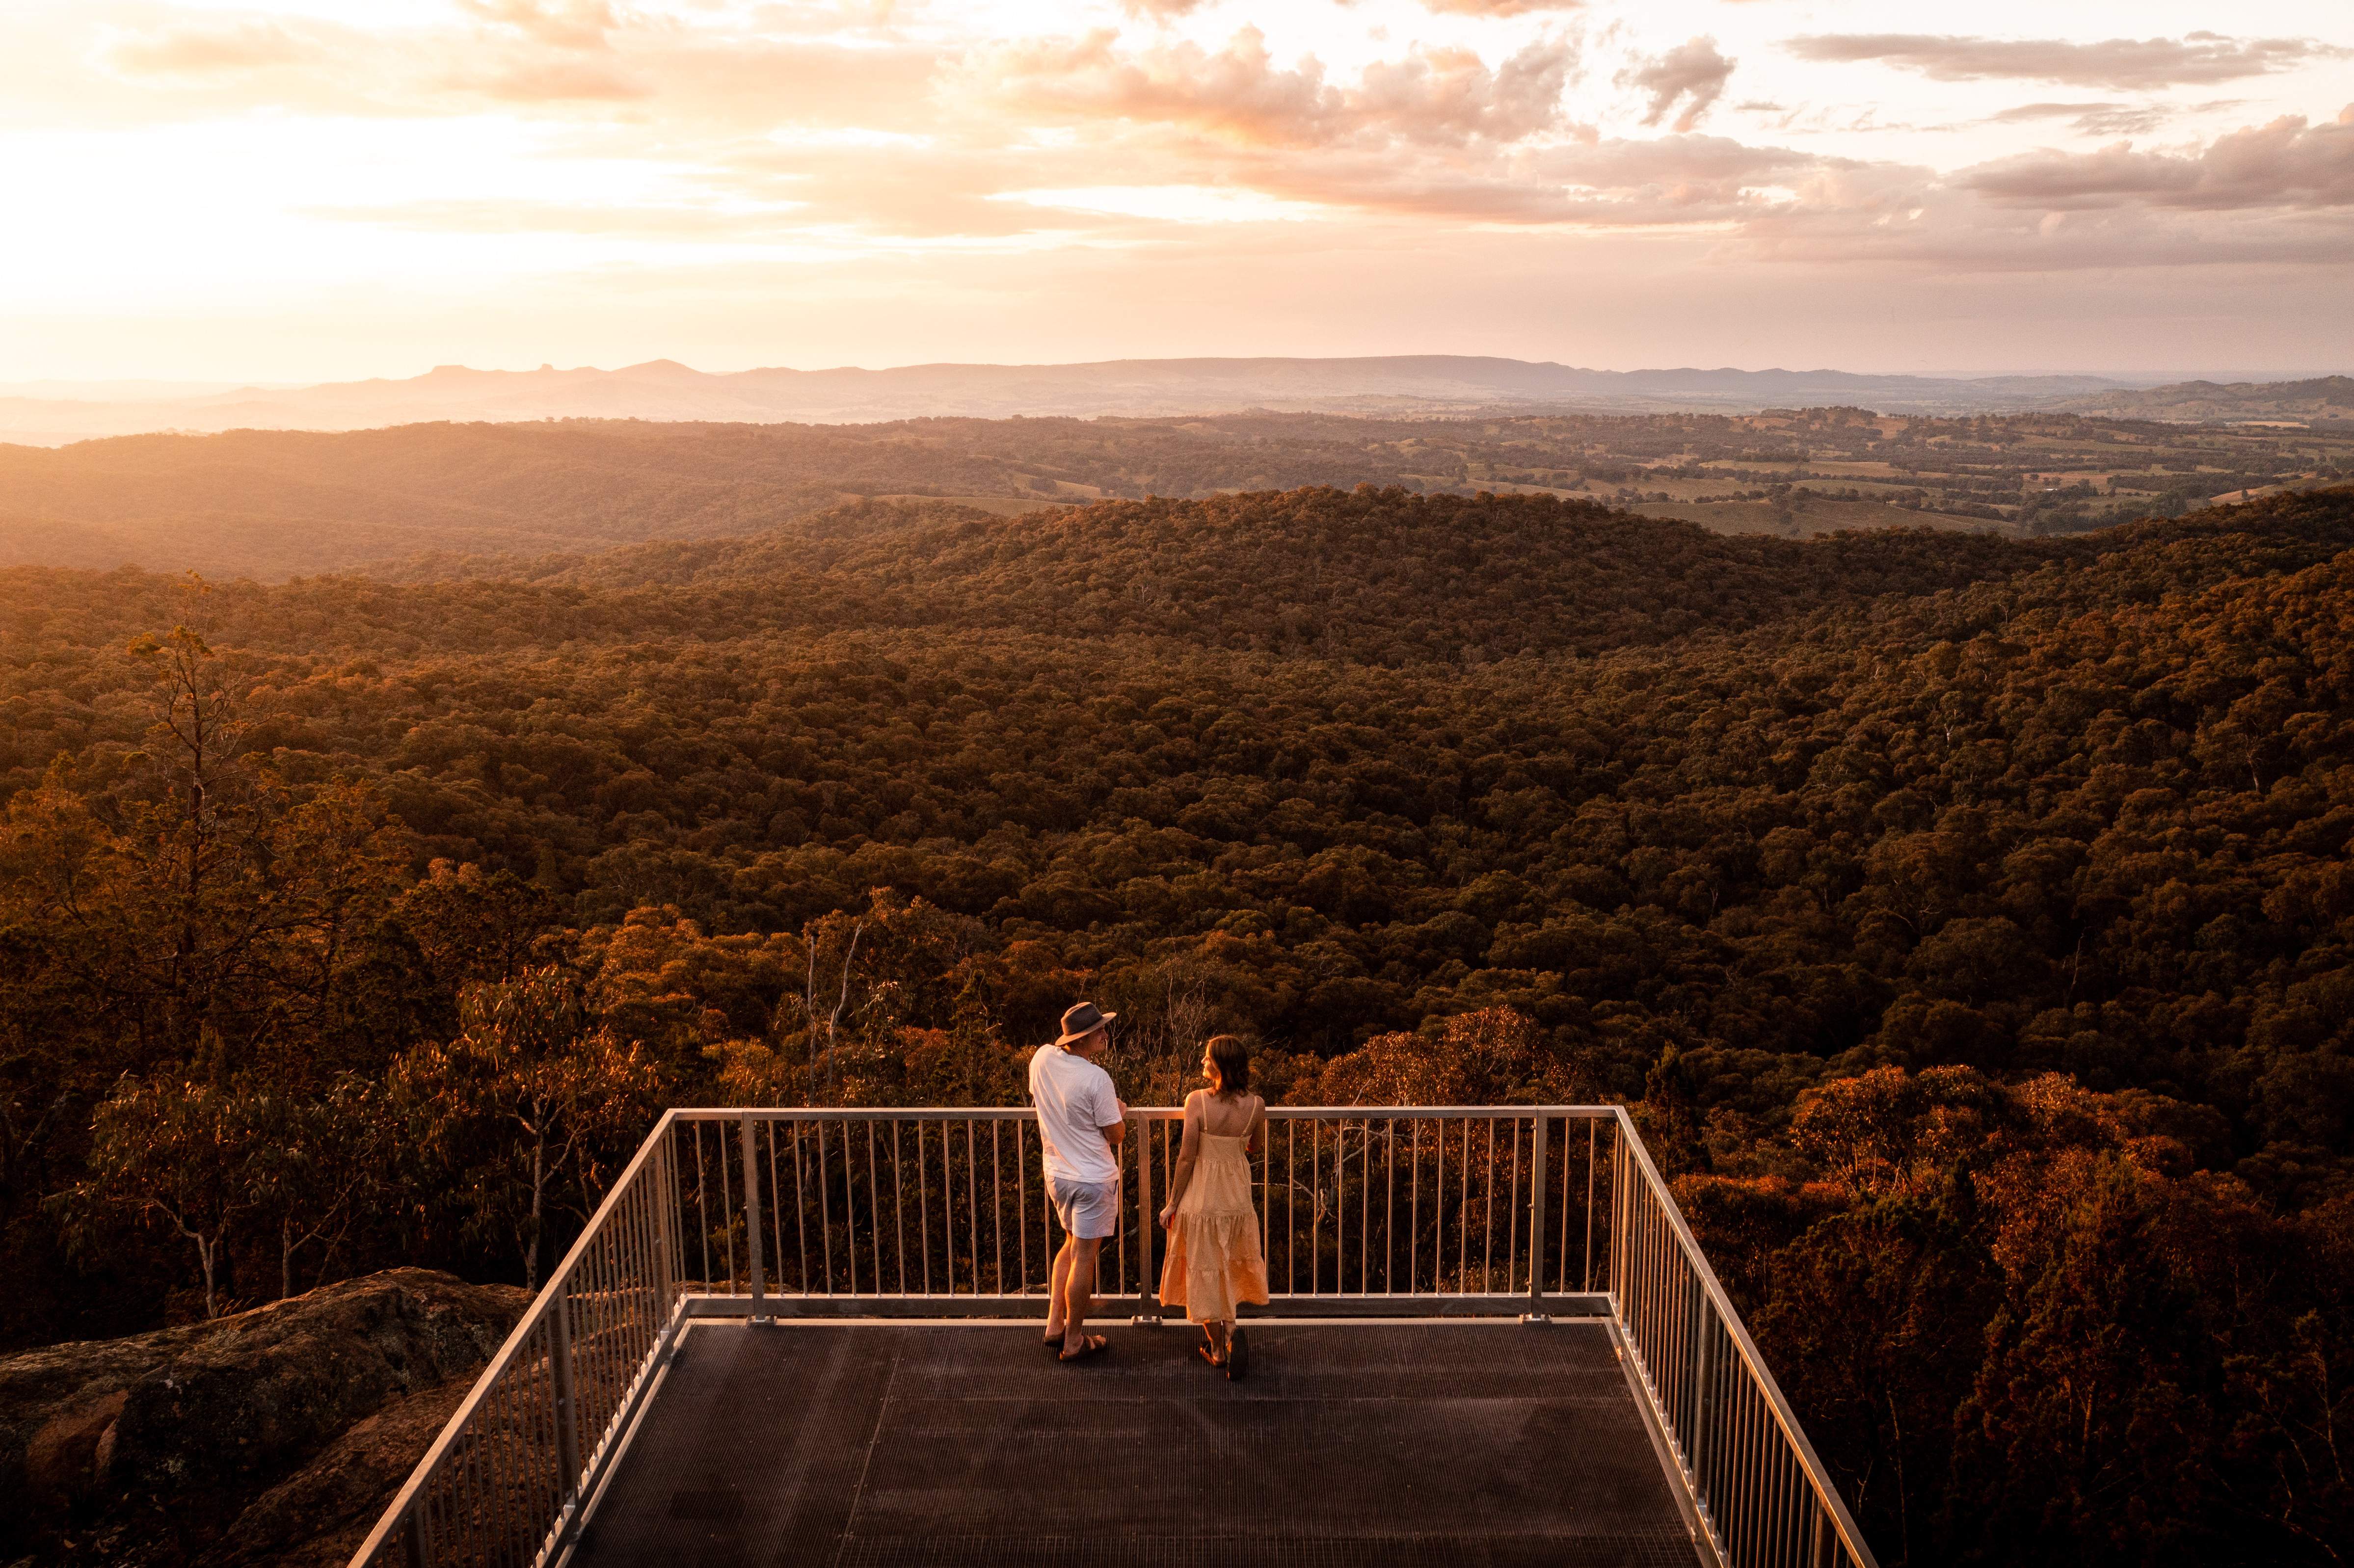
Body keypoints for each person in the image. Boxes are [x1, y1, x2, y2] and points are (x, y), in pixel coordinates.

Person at [1157, 1034, 1269, 1377]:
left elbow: (1186, 1156)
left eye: (1207, 1057)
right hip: (1236, 1198)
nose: (1203, 1061)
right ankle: (1231, 1329)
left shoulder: (1197, 1101)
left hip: (1202, 1198)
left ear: (1220, 1065)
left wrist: (1172, 1203)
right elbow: (1256, 1146)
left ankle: (1218, 1348)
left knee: (1203, 1270)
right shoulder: (1257, 1105)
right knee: (1228, 1265)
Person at [1030, 1000, 1126, 1362]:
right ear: (1082, 1038)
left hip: (1058, 1174)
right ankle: (1074, 1341)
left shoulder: (1041, 1058)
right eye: (1099, 1030)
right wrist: (1120, 1111)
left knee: (1070, 1245)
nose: (1105, 1034)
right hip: (1092, 1180)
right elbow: (1116, 1135)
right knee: (1084, 1257)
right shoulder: (1096, 1078)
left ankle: (1055, 1325)